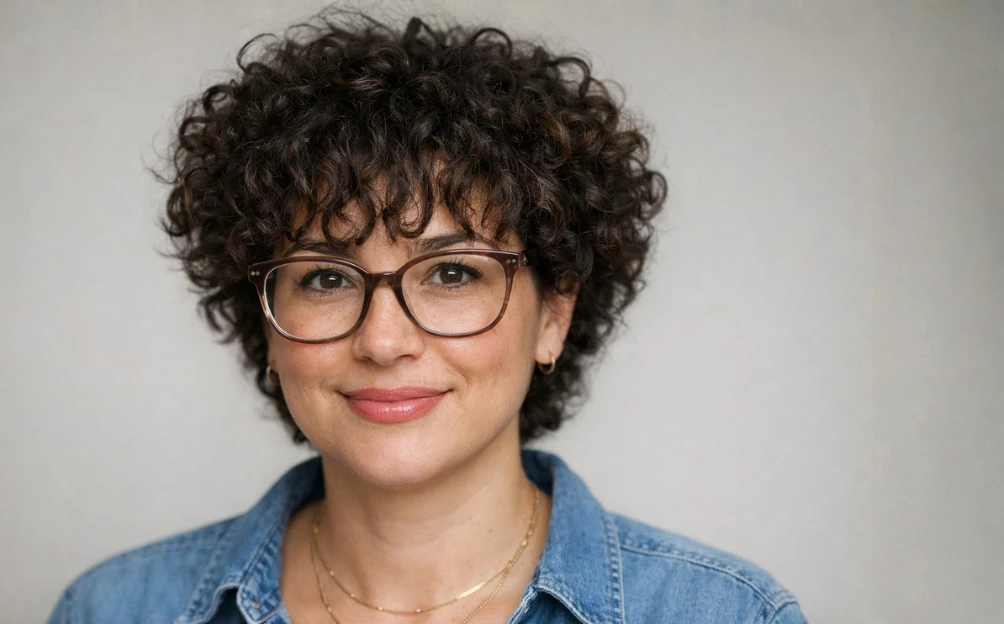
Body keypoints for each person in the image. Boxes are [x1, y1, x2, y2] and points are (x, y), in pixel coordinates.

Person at [47, 11, 806, 624]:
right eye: (325, 278)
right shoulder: (113, 609)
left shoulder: (727, 614)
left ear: (554, 315)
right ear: (266, 323)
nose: (383, 340)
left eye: (452, 273)